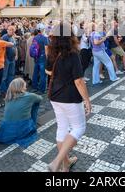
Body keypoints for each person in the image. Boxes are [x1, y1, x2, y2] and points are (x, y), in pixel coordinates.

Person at [45, 23, 92, 172]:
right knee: (79, 128)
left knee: (62, 129)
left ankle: (66, 164)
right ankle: (57, 161)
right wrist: (87, 100)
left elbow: (47, 71)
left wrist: (59, 74)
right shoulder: (73, 54)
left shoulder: (52, 52)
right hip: (70, 97)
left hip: (55, 95)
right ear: (69, 36)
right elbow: (78, 81)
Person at [0, 78, 42, 147]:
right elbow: (40, 98)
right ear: (22, 87)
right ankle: (33, 123)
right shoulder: (30, 96)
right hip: (22, 127)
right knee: (36, 103)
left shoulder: (8, 96)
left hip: (6, 128)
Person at [0, 26, 18, 95]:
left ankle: (9, 89)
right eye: (10, 30)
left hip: (12, 58)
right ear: (7, 30)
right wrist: (4, 58)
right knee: (4, 76)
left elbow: (15, 46)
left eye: (13, 30)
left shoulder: (13, 37)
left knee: (11, 74)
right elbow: (1, 48)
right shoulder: (4, 37)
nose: (12, 31)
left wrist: (16, 55)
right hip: (6, 59)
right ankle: (3, 91)